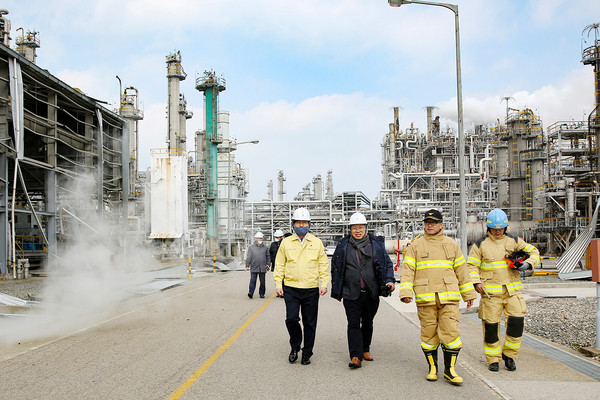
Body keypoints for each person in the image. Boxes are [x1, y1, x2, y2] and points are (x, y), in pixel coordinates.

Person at [399, 209, 476, 386]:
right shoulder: (415, 246)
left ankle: (450, 370)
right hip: (425, 298)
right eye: (427, 223)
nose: (430, 225)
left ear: (441, 225)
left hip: (448, 297)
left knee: (450, 332)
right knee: (428, 334)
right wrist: (405, 293)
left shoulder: (452, 245)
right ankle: (432, 368)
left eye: (433, 223)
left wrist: (468, 293)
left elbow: (462, 271)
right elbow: (408, 271)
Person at [468, 208, 540, 372]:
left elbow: (534, 251)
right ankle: (493, 359)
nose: (498, 231)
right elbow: (471, 266)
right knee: (491, 328)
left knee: (516, 325)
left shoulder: (514, 241)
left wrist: (527, 264)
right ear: (489, 228)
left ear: (506, 227)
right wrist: (476, 283)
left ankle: (510, 356)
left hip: (513, 293)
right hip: (490, 295)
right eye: (495, 229)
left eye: (501, 228)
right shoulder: (481, 245)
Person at [330, 212, 396, 369]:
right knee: (353, 323)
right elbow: (336, 268)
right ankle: (355, 355)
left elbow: (387, 264)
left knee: (367, 322)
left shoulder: (376, 246)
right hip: (350, 292)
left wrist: (389, 280)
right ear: (350, 229)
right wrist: (337, 290)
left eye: (360, 227)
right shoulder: (343, 246)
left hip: (371, 292)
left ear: (366, 229)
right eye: (354, 228)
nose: (357, 230)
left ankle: (365, 349)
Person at [274, 208, 330, 366]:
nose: (301, 225)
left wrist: (324, 283)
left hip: (310, 288)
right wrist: (278, 283)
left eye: (304, 222)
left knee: (310, 323)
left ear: (309, 224)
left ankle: (307, 353)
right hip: (291, 287)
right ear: (293, 224)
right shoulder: (286, 242)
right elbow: (279, 264)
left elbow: (323, 265)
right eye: (298, 222)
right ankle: (295, 346)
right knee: (291, 319)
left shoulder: (316, 242)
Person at [245, 231, 271, 299]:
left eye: (260, 238)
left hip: (263, 267)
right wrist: (247, 265)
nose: (259, 240)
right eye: (258, 238)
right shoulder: (251, 248)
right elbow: (249, 257)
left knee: (262, 282)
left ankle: (262, 293)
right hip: (254, 267)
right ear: (255, 239)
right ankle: (251, 293)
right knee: (253, 281)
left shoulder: (265, 248)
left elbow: (268, 257)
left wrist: (268, 264)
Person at [270, 229, 285, 297]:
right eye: (275, 237)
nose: (276, 238)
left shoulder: (284, 243)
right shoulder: (273, 244)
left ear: (281, 237)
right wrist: (269, 263)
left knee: (283, 279)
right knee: (277, 278)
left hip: (283, 264)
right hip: (275, 264)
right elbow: (270, 253)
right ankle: (279, 291)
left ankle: (283, 292)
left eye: (277, 237)